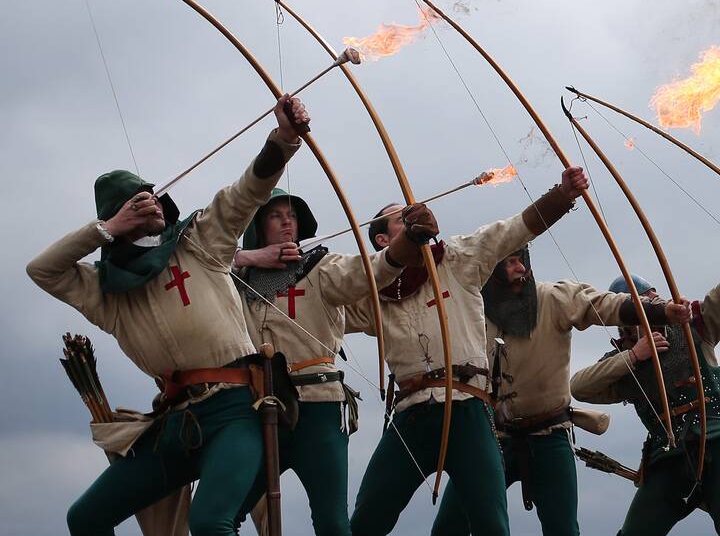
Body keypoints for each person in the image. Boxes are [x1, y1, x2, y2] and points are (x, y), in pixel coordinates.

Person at [26, 97, 311, 536]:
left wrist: (285, 138)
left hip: (236, 408)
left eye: (152, 195)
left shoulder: (198, 240)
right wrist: (105, 231)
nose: (152, 203)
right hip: (176, 423)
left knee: (210, 523)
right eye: (135, 203)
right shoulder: (105, 290)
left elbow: (246, 194)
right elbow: (41, 270)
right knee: (84, 518)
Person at [346, 167, 589, 536]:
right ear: (383, 239)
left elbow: (513, 230)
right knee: (366, 521)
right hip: (412, 414)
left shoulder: (457, 257)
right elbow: (326, 311)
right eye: (401, 219)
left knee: (491, 525)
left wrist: (562, 196)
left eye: (413, 214)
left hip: (467, 410)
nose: (412, 218)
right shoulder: (372, 292)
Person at [430, 245, 692, 536]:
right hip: (492, 438)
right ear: (493, 270)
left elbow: (602, 304)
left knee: (563, 530)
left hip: (549, 437)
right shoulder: (474, 311)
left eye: (522, 260)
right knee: (448, 527)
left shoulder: (554, 297)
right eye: (511, 262)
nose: (521, 268)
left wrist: (661, 309)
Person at [570, 211, 720, 536]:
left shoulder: (694, 326)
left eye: (649, 303)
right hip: (668, 456)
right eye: (635, 309)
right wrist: (634, 355)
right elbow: (579, 387)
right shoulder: (623, 362)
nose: (646, 312)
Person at [232, 186, 413, 535]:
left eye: (292, 216)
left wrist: (408, 241)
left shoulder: (321, 267)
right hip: (261, 410)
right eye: (276, 216)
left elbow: (372, 270)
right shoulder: (238, 282)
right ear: (258, 226)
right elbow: (205, 263)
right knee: (222, 511)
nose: (287, 222)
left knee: (331, 523)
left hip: (319, 407)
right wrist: (248, 257)